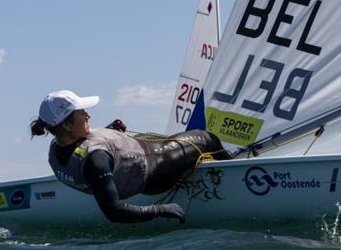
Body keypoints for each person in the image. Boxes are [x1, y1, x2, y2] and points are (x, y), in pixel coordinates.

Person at [30, 90, 231, 224]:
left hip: (136, 158)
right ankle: (237, 172)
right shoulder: (96, 159)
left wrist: (111, 132)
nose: (88, 116)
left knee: (175, 141)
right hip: (155, 169)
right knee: (205, 138)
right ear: (66, 124)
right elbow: (114, 212)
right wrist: (160, 210)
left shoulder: (56, 150)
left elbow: (83, 148)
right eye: (82, 113)